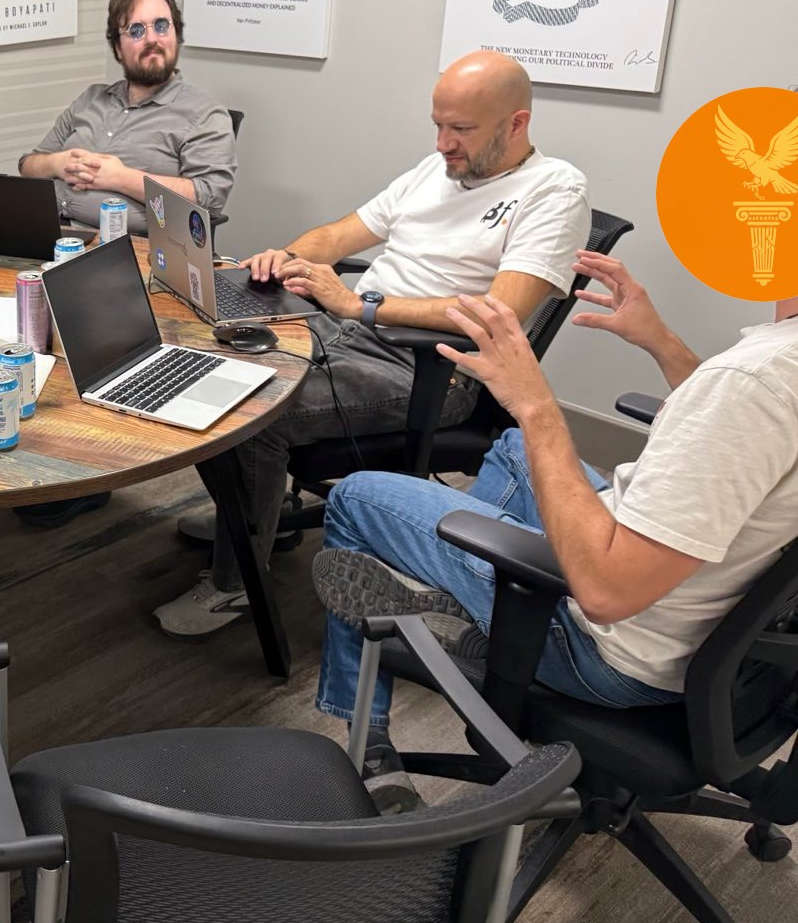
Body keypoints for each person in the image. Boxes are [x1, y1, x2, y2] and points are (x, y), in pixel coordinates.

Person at [312, 252, 798, 812]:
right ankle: (486, 600)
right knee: (515, 451)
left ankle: (369, 740)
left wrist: (536, 404)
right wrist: (660, 340)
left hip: (615, 651)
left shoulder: (757, 378)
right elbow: (751, 443)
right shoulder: (768, 376)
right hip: (736, 654)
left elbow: (609, 593)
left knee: (355, 495)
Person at [157, 50, 590, 640]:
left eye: (460, 129)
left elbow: (500, 314)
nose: (443, 143)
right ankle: (252, 517)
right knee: (209, 356)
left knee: (249, 411)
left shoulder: (554, 191)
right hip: (351, 329)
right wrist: (289, 258)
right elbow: (338, 234)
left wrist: (359, 304)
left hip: (429, 369)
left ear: (517, 123)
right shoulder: (435, 170)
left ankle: (237, 583)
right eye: (437, 124)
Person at [18, 0, 235, 236]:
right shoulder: (91, 99)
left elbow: (208, 199)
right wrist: (57, 163)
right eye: (136, 30)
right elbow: (27, 166)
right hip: (45, 234)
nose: (152, 39)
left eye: (162, 26)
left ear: (176, 36)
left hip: (128, 251)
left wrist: (121, 178)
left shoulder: (205, 115)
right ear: (118, 49)